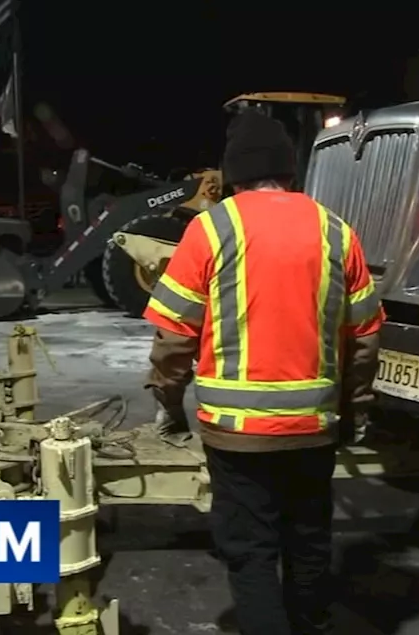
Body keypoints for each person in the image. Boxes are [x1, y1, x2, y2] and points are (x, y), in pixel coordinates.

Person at [142, 110, 384, 635]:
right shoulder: (335, 231)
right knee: (309, 543)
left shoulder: (210, 229)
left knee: (250, 552)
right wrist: (354, 412)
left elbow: (173, 339)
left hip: (236, 437)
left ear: (234, 176)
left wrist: (167, 402)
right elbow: (364, 339)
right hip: (312, 432)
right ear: (290, 173)